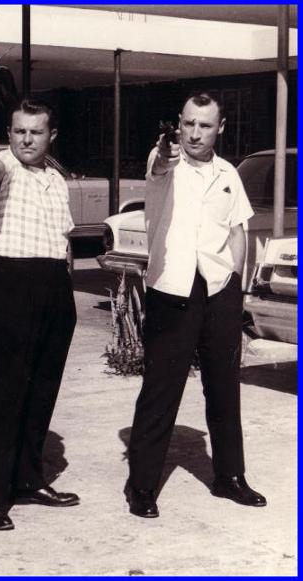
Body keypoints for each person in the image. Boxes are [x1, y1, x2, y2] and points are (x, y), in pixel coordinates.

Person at [124, 91, 267, 518]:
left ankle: (230, 478)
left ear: (219, 128)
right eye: (188, 123)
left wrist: (234, 286)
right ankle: (143, 486)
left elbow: (240, 232)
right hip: (173, 291)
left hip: (219, 290)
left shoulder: (228, 173)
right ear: (179, 124)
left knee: (224, 390)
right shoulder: (164, 164)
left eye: (204, 125)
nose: (194, 133)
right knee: (161, 391)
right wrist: (164, 150)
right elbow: (158, 161)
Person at [0, 99, 79, 531]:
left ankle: (30, 479)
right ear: (8, 134)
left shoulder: (56, 179)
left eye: (35, 132)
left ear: (51, 136)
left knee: (41, 387)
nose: (26, 139)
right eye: (18, 131)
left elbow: (63, 239)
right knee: (0, 392)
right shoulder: (3, 169)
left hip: (53, 282)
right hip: (8, 281)